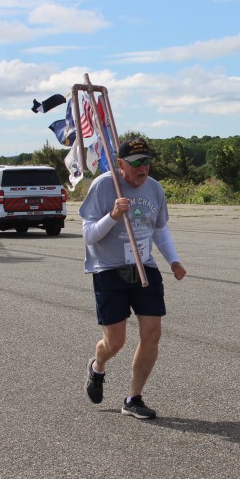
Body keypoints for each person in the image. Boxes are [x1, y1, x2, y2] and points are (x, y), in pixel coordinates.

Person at [79, 137, 187, 420]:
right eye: (137, 163)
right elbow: (88, 235)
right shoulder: (103, 186)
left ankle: (133, 398)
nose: (143, 169)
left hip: (143, 267)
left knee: (152, 334)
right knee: (115, 342)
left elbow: (159, 229)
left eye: (147, 162)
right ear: (120, 164)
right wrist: (113, 215)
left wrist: (173, 260)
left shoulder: (155, 188)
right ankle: (97, 366)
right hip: (109, 270)